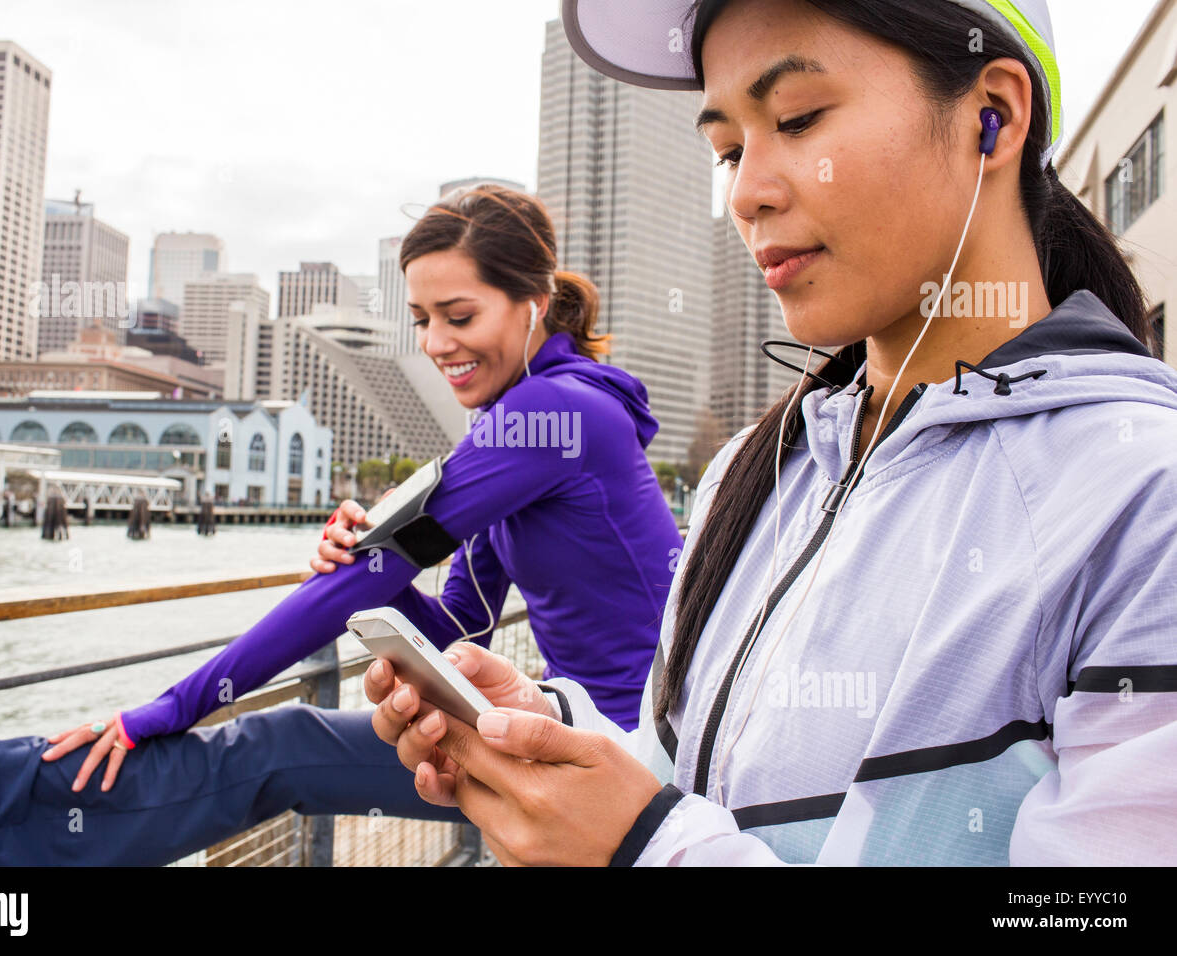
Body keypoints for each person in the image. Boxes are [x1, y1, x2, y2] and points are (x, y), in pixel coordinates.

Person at [367, 0, 1177, 866]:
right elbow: (694, 786)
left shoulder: (1141, 496)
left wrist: (646, 848)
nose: (747, 193)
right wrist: (558, 741)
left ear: (994, 115)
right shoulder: (749, 475)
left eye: (797, 119)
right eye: (728, 148)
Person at [0, 185, 683, 865]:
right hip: (566, 724)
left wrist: (170, 705)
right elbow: (463, 626)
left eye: (459, 315)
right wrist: (368, 566)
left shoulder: (554, 415)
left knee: (275, 749)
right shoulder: (522, 421)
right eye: (422, 319)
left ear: (533, 304)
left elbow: (381, 585)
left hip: (621, 759)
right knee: (277, 750)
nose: (437, 343)